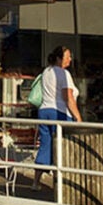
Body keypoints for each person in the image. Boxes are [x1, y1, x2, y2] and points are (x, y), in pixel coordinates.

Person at [32, 46, 82, 189]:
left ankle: (36, 182)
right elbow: (68, 98)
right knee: (61, 147)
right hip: (59, 112)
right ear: (59, 59)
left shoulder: (46, 72)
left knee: (45, 145)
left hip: (44, 111)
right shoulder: (63, 74)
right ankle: (60, 183)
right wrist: (78, 117)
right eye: (67, 57)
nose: (70, 59)